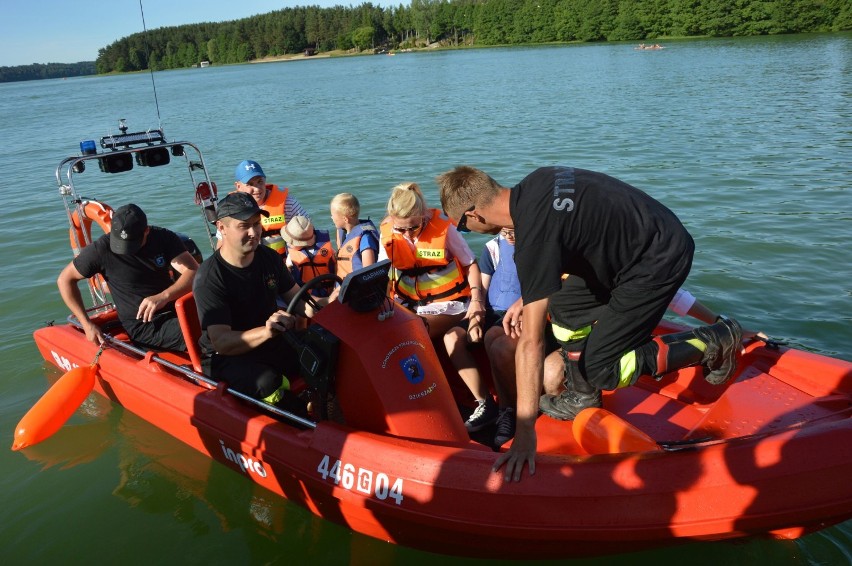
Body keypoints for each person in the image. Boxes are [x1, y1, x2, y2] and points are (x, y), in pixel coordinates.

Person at [437, 165, 743, 481]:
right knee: (567, 305)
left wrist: (526, 431)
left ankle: (715, 341)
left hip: (658, 259)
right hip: (639, 240)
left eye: (464, 227)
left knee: (603, 370)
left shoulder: (534, 238)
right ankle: (581, 397)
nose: (469, 232)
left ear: (474, 214)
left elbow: (532, 342)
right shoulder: (539, 180)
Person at [193, 192, 321, 406]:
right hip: (227, 357)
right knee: (268, 382)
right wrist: (266, 331)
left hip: (269, 339)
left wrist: (333, 304)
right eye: (244, 226)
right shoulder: (209, 277)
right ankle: (301, 424)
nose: (254, 232)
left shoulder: (268, 257)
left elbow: (299, 301)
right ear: (221, 228)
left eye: (256, 223)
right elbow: (222, 342)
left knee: (323, 348)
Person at [57, 203, 199, 351]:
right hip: (145, 326)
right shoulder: (100, 250)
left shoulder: (164, 237)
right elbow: (65, 280)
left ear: (146, 231)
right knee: (207, 330)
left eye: (131, 244)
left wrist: (164, 296)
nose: (125, 250)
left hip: (175, 309)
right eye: (120, 243)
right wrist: (86, 324)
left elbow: (194, 271)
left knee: (221, 315)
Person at [378, 182, 484, 341]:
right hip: (406, 303)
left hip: (447, 305)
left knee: (414, 331)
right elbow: (383, 273)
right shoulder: (387, 232)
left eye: (414, 227)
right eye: (400, 229)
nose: (407, 234)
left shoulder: (445, 229)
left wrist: (477, 301)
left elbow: (470, 264)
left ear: (423, 215)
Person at [232, 159, 310, 256]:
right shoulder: (231, 209)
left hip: (282, 264)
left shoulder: (288, 203)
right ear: (238, 186)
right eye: (250, 184)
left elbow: (309, 230)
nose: (257, 188)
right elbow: (223, 243)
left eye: (260, 182)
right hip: (249, 265)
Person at [281, 215, 336, 298]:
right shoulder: (329, 249)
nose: (288, 243)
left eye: (291, 241)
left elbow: (287, 277)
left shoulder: (290, 258)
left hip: (308, 298)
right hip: (317, 295)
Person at [330, 192, 379, 279]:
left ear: (345, 219)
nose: (331, 217)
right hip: (342, 284)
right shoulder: (343, 233)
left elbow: (369, 271)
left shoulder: (365, 239)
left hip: (357, 288)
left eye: (333, 215)